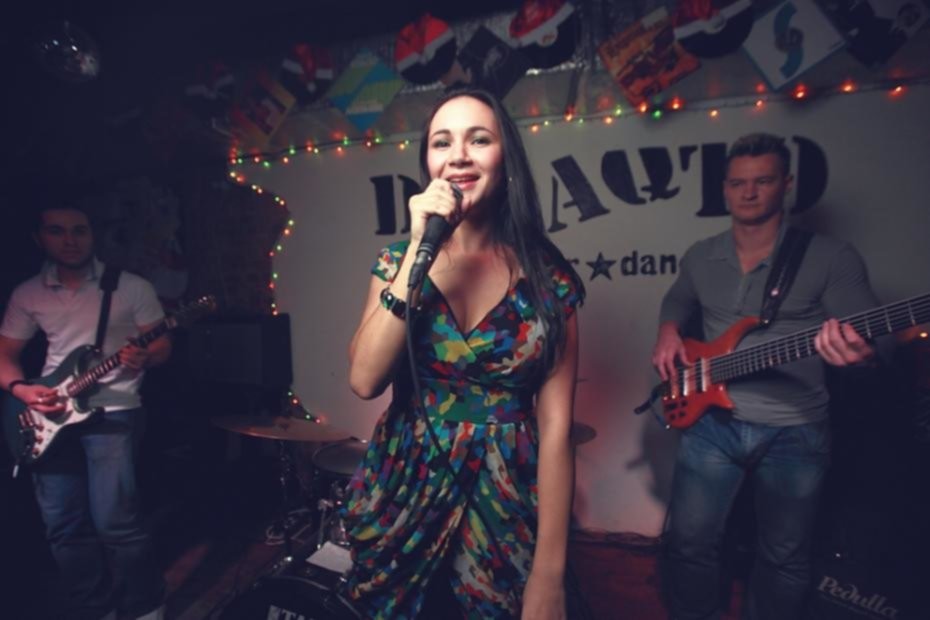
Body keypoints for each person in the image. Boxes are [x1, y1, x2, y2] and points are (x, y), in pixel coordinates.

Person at [344, 87, 585, 619]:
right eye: (441, 142)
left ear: (506, 158)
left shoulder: (551, 280)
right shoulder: (398, 262)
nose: (458, 156)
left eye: (479, 139)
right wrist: (418, 251)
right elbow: (364, 379)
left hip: (505, 501)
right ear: (428, 163)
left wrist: (549, 577)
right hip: (403, 493)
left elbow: (557, 429)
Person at [651, 133, 879, 620]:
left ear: (786, 185)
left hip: (796, 430)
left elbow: (871, 336)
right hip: (712, 425)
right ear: (725, 189)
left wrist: (861, 354)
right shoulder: (701, 255)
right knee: (689, 544)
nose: (749, 192)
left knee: (784, 557)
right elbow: (678, 299)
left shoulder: (831, 257)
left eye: (763, 181)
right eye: (738, 183)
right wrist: (668, 331)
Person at [0, 203, 170, 620]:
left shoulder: (131, 287)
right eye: (57, 231)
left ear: (93, 235)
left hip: (114, 412)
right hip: (49, 414)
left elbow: (161, 346)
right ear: (39, 238)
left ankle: (145, 607)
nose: (70, 240)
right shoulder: (28, 293)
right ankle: (93, 609)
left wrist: (145, 358)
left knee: (116, 523)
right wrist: (22, 390)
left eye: (79, 230)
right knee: (63, 525)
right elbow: (5, 355)